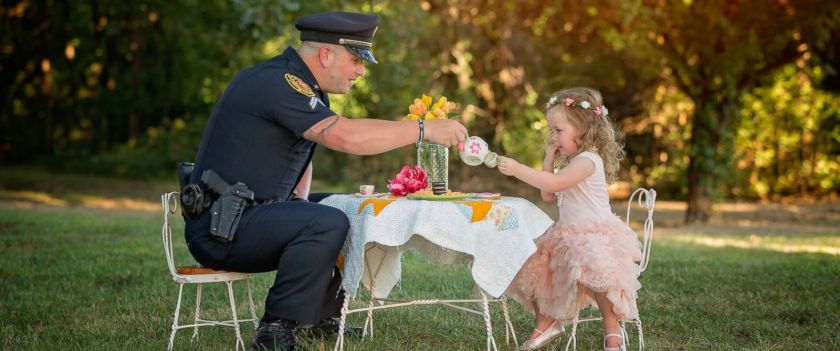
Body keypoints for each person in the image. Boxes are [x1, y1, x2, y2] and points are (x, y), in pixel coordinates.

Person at [183, 11, 468, 351]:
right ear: (326, 54)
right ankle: (275, 331)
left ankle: (319, 319)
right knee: (326, 221)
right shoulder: (279, 83)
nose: (361, 71)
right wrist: (423, 129)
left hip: (245, 216)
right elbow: (345, 137)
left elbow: (299, 156)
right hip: (220, 230)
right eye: (356, 60)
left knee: (343, 207)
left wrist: (299, 202)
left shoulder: (301, 84)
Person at [497, 87, 641, 351]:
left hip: (595, 234)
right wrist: (548, 157)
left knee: (598, 270)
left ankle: (612, 330)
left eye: (558, 131)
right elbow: (548, 194)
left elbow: (557, 183)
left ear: (583, 128)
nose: (553, 137)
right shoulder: (570, 161)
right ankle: (547, 322)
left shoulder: (588, 160)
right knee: (540, 272)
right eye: (551, 131)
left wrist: (517, 169)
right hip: (568, 234)